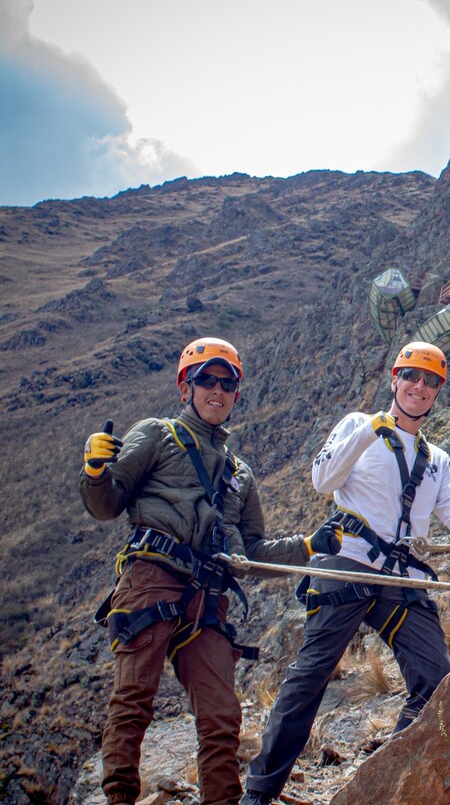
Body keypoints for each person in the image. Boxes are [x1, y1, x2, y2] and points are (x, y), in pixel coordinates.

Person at [241, 341, 450, 805]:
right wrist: (370, 431)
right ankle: (259, 794)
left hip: (400, 576)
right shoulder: (355, 426)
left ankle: (385, 781)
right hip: (347, 563)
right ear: (394, 378)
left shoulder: (438, 460)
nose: (419, 387)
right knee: (310, 678)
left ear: (438, 391)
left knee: (436, 680)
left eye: (431, 381)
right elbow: (323, 480)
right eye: (412, 376)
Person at [81, 337, 330, 805]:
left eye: (227, 382)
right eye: (206, 380)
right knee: (133, 701)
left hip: (208, 599)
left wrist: (309, 547)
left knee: (221, 717)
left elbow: (252, 552)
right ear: (185, 388)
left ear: (237, 394)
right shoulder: (156, 435)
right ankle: (118, 797)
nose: (217, 389)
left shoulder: (241, 474)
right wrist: (95, 470)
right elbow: (108, 502)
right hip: (151, 580)